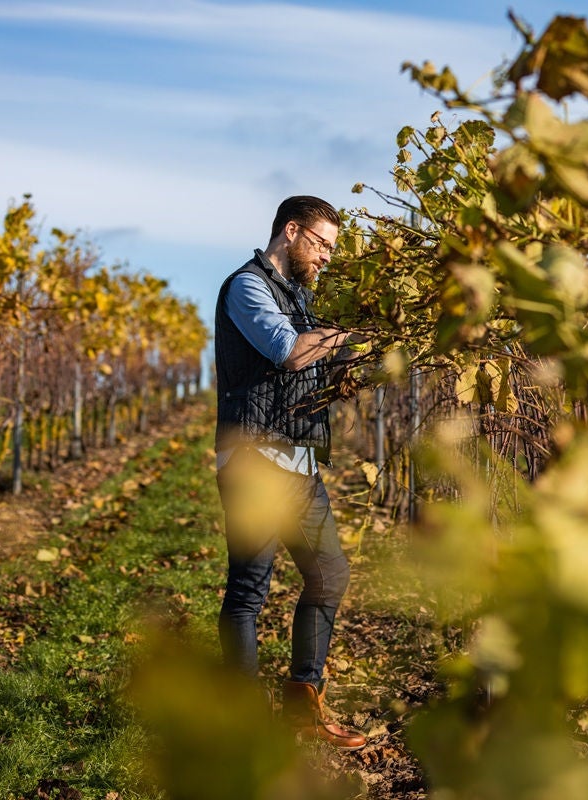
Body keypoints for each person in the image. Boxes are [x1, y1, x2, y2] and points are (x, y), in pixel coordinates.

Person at [213, 195, 365, 750]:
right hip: (253, 459)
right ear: (292, 231)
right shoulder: (247, 286)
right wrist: (342, 331)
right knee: (250, 591)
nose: (326, 256)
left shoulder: (303, 298)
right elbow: (290, 353)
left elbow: (326, 359)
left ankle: (304, 702)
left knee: (329, 574)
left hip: (297, 460)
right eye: (322, 244)